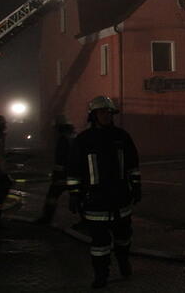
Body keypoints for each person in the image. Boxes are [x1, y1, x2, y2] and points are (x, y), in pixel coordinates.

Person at [67, 96, 141, 288]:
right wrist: (74, 193)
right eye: (102, 112)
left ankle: (124, 261)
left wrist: (137, 185)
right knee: (99, 244)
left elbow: (133, 164)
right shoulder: (83, 140)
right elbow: (74, 169)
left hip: (120, 198)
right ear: (93, 115)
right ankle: (101, 275)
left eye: (109, 112)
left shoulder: (121, 137)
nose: (106, 115)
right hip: (96, 200)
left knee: (124, 237)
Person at [37, 115, 76, 224]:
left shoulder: (63, 139)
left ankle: (46, 219)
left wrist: (57, 176)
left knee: (52, 196)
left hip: (62, 175)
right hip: (74, 174)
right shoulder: (73, 137)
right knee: (78, 197)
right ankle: (86, 221)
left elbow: (61, 159)